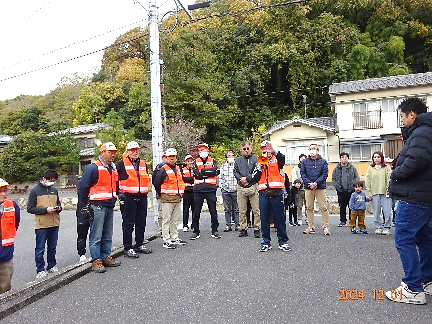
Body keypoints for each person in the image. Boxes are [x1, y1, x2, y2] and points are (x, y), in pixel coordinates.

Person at [386, 97, 432, 304]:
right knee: (424, 238)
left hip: (413, 196)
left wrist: (396, 173)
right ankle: (427, 280)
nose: (402, 121)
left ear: (412, 115)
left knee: (404, 239)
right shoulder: (424, 130)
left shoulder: (422, 132)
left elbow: (417, 160)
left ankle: (413, 289)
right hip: (424, 195)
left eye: (402, 116)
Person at [78, 142, 121, 273]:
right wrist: (85, 205)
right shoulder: (93, 168)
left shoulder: (112, 168)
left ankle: (106, 256)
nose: (113, 154)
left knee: (107, 234)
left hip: (109, 205)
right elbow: (83, 187)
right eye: (110, 152)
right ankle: (96, 260)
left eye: (114, 152)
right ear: (103, 152)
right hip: (97, 206)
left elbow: (115, 186)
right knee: (96, 235)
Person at [251, 141, 291, 252]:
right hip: (263, 193)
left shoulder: (276, 159)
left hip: (277, 193)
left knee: (279, 219)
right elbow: (255, 177)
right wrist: (260, 167)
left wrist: (274, 152)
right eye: (264, 150)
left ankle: (283, 241)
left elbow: (282, 160)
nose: (266, 152)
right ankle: (265, 242)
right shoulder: (259, 161)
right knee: (264, 219)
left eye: (267, 150)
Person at [116, 141, 152, 258]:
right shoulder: (121, 164)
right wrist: (118, 194)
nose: (135, 151)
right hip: (128, 197)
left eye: (136, 149)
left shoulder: (143, 163)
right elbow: (115, 180)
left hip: (142, 196)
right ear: (128, 151)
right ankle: (127, 248)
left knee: (141, 222)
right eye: (132, 150)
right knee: (128, 223)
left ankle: (139, 244)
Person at [27, 169, 62, 279]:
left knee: (52, 247)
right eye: (50, 180)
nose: (52, 182)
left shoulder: (54, 190)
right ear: (44, 178)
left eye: (54, 181)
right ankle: (40, 270)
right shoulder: (35, 191)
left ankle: (51, 265)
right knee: (40, 248)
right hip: (41, 224)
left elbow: (59, 203)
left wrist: (58, 208)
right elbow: (30, 208)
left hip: (54, 223)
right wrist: (45, 210)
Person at [154, 148, 186, 249]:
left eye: (174, 157)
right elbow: (156, 183)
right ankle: (166, 240)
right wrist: (161, 194)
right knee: (166, 220)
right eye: (170, 157)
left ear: (176, 157)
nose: (172, 159)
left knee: (175, 220)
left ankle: (174, 237)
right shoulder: (163, 169)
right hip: (167, 199)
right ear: (166, 158)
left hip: (177, 198)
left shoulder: (178, 168)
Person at [190, 143, 221, 240]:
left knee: (213, 211)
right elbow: (197, 174)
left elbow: (214, 172)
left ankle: (215, 230)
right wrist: (207, 172)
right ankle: (196, 231)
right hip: (198, 190)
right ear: (198, 152)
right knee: (196, 212)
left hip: (210, 189)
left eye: (204, 150)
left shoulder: (213, 160)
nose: (202, 152)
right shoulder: (195, 161)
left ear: (208, 151)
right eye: (201, 150)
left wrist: (203, 171)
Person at [301, 144, 331, 235]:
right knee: (309, 207)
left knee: (323, 207)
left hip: (320, 187)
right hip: (308, 187)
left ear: (318, 150)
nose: (312, 150)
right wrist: (309, 183)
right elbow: (303, 173)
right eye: (310, 149)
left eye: (314, 149)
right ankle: (311, 226)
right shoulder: (305, 162)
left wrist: (316, 183)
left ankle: (325, 227)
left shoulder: (323, 162)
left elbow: (324, 174)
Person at [233, 141, 261, 238]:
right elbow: (235, 171)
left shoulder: (256, 159)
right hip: (241, 186)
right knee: (242, 210)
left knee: (256, 209)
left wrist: (248, 179)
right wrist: (241, 179)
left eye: (248, 148)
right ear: (241, 150)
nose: (246, 151)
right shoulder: (238, 160)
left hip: (253, 185)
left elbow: (258, 172)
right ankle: (243, 228)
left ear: (251, 148)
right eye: (244, 149)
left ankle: (257, 228)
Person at [0, 178, 20, 294]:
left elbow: (15, 225)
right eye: (0, 191)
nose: (3, 194)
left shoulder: (13, 206)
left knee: (5, 290)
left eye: (5, 190)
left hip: (5, 256)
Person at [365, 151, 392, 235]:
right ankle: (378, 227)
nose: (376, 159)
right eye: (375, 157)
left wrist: (388, 190)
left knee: (387, 211)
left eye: (378, 157)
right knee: (376, 211)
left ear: (382, 158)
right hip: (374, 192)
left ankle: (387, 227)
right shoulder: (370, 168)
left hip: (385, 193)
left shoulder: (386, 167)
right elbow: (367, 180)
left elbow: (389, 179)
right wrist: (369, 192)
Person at [332, 152, 360, 227]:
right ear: (340, 159)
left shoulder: (352, 168)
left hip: (350, 190)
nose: (344, 159)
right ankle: (342, 221)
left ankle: (352, 221)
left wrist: (354, 186)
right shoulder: (336, 168)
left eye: (345, 157)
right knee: (342, 206)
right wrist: (337, 187)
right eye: (342, 157)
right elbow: (333, 179)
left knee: (351, 206)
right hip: (341, 191)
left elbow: (357, 177)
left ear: (348, 158)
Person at [219, 150, 239, 232]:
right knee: (227, 209)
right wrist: (222, 188)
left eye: (232, 155)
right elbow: (220, 178)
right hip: (226, 190)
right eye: (229, 156)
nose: (230, 157)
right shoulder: (223, 166)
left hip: (235, 190)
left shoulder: (237, 166)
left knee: (237, 209)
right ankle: (228, 225)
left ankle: (237, 225)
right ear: (226, 158)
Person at [76, 174, 90, 263]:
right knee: (82, 233)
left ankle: (95, 252)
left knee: (96, 233)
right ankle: (81, 254)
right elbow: (82, 193)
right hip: (83, 210)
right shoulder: (81, 182)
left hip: (94, 209)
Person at [152, 153, 167, 234]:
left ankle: (169, 230)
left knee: (169, 214)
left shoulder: (173, 167)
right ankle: (162, 229)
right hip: (161, 194)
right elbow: (155, 181)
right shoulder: (158, 168)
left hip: (170, 195)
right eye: (165, 157)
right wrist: (159, 192)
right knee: (161, 212)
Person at [291, 154, 307, 225]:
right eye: (301, 158)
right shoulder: (295, 168)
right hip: (299, 189)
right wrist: (297, 184)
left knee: (308, 205)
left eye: (304, 158)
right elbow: (294, 178)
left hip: (307, 188)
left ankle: (308, 218)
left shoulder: (308, 168)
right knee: (299, 205)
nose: (303, 159)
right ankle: (299, 218)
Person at [181, 154, 195, 232]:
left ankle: (194, 224)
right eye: (188, 161)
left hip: (194, 190)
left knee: (194, 208)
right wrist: (191, 179)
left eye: (191, 161)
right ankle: (185, 225)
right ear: (185, 162)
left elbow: (196, 177)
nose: (190, 162)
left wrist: (189, 179)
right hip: (186, 191)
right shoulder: (182, 170)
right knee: (186, 208)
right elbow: (183, 179)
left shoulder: (195, 169)